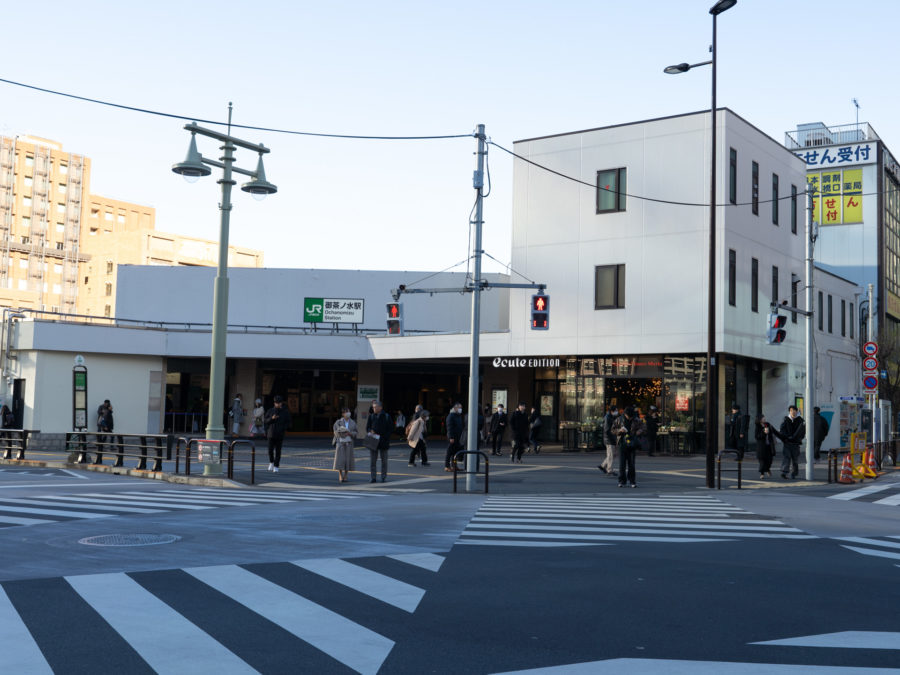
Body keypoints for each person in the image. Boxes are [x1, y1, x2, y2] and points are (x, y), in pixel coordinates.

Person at [613, 406, 645, 488]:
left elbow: (643, 427)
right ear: (625, 414)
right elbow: (612, 430)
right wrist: (619, 431)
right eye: (628, 416)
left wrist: (638, 432)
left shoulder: (636, 419)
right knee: (622, 464)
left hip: (632, 444)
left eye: (631, 416)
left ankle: (632, 481)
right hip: (622, 444)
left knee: (631, 464)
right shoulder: (619, 419)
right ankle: (621, 481)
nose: (629, 418)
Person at [772, 404, 805, 480]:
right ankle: (784, 472)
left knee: (795, 460)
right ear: (789, 411)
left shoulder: (800, 420)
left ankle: (794, 473)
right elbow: (782, 430)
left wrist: (798, 438)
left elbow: (802, 432)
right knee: (787, 457)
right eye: (791, 410)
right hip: (787, 443)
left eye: (794, 410)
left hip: (796, 444)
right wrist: (786, 437)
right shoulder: (786, 420)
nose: (793, 412)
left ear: (797, 411)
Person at [366, 400, 393, 483]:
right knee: (372, 461)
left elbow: (391, 428)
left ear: (380, 407)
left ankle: (383, 477)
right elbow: (367, 427)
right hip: (373, 440)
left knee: (384, 461)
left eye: (375, 407)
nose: (374, 408)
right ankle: (373, 477)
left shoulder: (386, 416)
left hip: (383, 441)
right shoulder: (371, 416)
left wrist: (385, 437)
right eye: (373, 407)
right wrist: (370, 431)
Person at [264, 395, 292, 473]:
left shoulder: (285, 412)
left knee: (278, 451)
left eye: (279, 403)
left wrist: (283, 428)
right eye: (276, 403)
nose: (277, 404)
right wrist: (271, 419)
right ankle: (271, 462)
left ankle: (276, 466)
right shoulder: (270, 411)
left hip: (280, 434)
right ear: (274, 403)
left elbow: (289, 423)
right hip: (271, 433)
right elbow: (265, 420)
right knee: (270, 450)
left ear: (281, 403)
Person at [332, 407, 357, 483]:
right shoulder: (338, 422)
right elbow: (335, 432)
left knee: (347, 459)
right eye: (346, 412)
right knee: (340, 459)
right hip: (340, 443)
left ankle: (346, 475)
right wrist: (342, 433)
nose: (348, 413)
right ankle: (340, 474)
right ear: (343, 414)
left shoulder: (353, 422)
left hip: (349, 443)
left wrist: (350, 433)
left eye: (348, 411)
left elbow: (356, 432)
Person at [754, 413, 776, 479]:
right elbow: (757, 437)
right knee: (762, 460)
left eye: (764, 417)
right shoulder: (757, 426)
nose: (764, 418)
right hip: (761, 446)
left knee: (769, 460)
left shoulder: (767, 424)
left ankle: (768, 469)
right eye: (763, 418)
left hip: (769, 445)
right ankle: (762, 473)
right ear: (759, 419)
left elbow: (773, 432)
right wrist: (763, 433)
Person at [598, 404, 618, 476]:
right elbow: (607, 430)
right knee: (611, 454)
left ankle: (603, 465)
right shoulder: (608, 417)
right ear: (612, 411)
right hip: (609, 439)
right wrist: (613, 437)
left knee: (613, 454)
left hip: (610, 438)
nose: (617, 412)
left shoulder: (611, 416)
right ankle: (609, 469)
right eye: (616, 410)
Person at [444, 402, 464, 472]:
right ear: (455, 408)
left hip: (458, 437)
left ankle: (454, 466)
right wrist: (451, 437)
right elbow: (449, 427)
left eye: (461, 408)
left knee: (455, 452)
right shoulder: (451, 416)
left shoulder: (458, 415)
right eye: (459, 408)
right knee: (449, 452)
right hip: (453, 437)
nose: (460, 409)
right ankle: (447, 466)